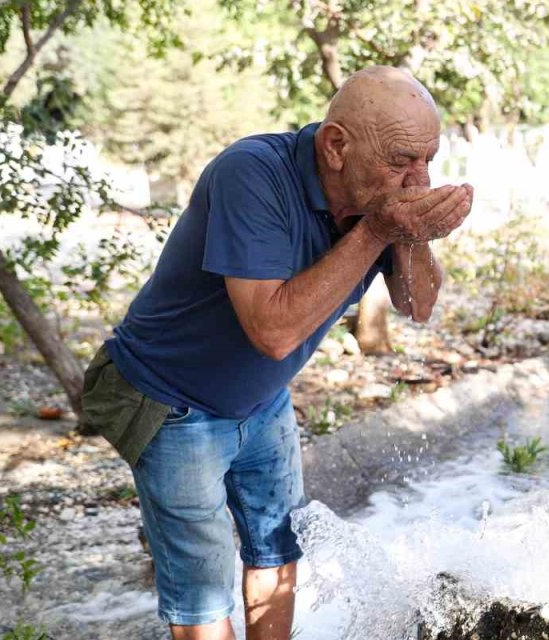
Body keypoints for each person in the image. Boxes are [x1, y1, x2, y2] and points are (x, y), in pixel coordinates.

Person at [79, 66, 472, 640]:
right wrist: (377, 233)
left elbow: (417, 305)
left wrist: (411, 236)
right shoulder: (253, 173)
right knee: (202, 587)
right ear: (337, 145)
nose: (418, 180)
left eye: (427, 161)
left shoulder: (375, 195)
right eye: (402, 161)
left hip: (261, 398)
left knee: (276, 546)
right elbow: (274, 331)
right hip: (170, 401)